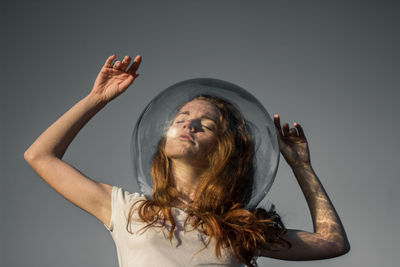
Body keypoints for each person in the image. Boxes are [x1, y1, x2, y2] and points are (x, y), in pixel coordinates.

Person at [24, 54, 350, 267]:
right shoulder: (126, 209)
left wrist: (302, 167)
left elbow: (332, 242)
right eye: (182, 116)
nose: (188, 124)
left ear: (223, 151)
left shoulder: (240, 230)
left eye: (205, 125)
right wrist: (96, 99)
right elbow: (40, 156)